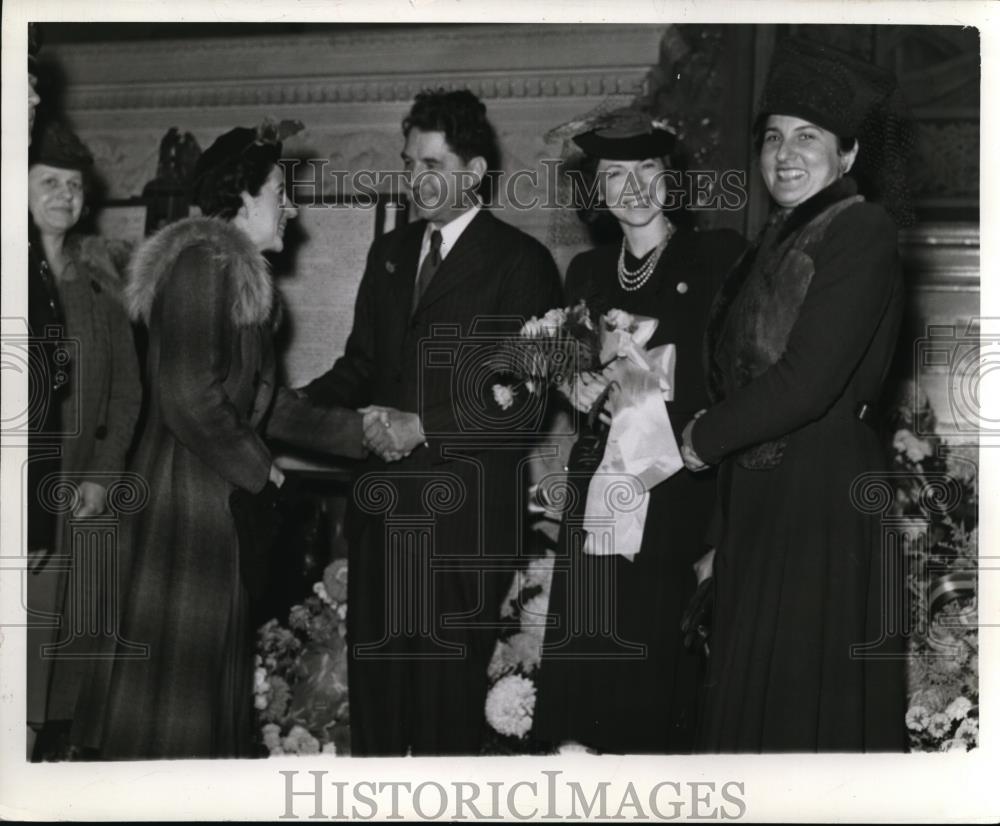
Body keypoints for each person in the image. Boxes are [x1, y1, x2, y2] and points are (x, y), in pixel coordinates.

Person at [75, 123, 369, 759]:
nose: (290, 206)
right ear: (245, 198)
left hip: (210, 514)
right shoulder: (203, 264)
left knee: (188, 707)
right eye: (280, 192)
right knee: (169, 718)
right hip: (184, 516)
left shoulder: (231, 278)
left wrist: (365, 431)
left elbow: (274, 406)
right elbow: (189, 397)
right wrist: (266, 474)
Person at [301, 88, 563, 755]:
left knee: (446, 717)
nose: (415, 180)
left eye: (432, 166)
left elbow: (525, 398)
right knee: (379, 714)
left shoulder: (521, 264)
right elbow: (360, 366)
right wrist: (283, 409)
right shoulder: (390, 254)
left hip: (463, 528)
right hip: (381, 520)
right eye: (409, 163)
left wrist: (424, 426)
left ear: (473, 174)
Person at [681, 38, 911, 751]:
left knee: (800, 724)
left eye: (808, 137)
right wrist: (721, 535)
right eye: (772, 136)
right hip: (764, 506)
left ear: (846, 155)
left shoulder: (862, 229)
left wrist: (699, 439)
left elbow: (805, 382)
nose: (785, 152)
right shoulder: (773, 241)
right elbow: (746, 382)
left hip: (821, 502)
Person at [531, 108, 746, 753]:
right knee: (590, 673)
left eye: (646, 167)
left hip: (677, 500)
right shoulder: (587, 276)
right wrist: (582, 389)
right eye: (614, 173)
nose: (632, 185)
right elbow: (578, 386)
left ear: (669, 176)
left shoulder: (718, 257)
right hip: (599, 502)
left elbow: (736, 391)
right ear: (596, 189)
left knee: (655, 683)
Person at [25, 121, 143, 759]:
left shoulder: (101, 287)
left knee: (72, 664)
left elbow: (128, 394)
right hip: (24, 499)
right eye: (49, 182)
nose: (65, 196)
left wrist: (103, 473)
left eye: (73, 185)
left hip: (84, 499)